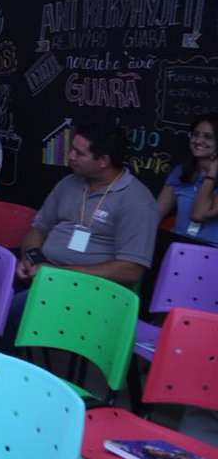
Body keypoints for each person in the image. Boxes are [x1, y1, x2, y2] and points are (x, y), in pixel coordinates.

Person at [10, 121, 159, 337]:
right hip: (47, 274)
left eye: (79, 153)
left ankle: (2, 360)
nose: (70, 156)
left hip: (93, 291)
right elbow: (38, 229)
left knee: (17, 308)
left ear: (103, 161)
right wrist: (31, 259)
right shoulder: (69, 183)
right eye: (72, 149)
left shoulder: (137, 201)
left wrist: (59, 274)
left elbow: (131, 269)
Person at [158, 113, 218, 244]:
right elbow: (156, 214)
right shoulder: (181, 171)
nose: (198, 141)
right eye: (195, 134)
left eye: (208, 137)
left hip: (212, 255)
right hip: (177, 249)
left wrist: (212, 174)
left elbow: (198, 215)